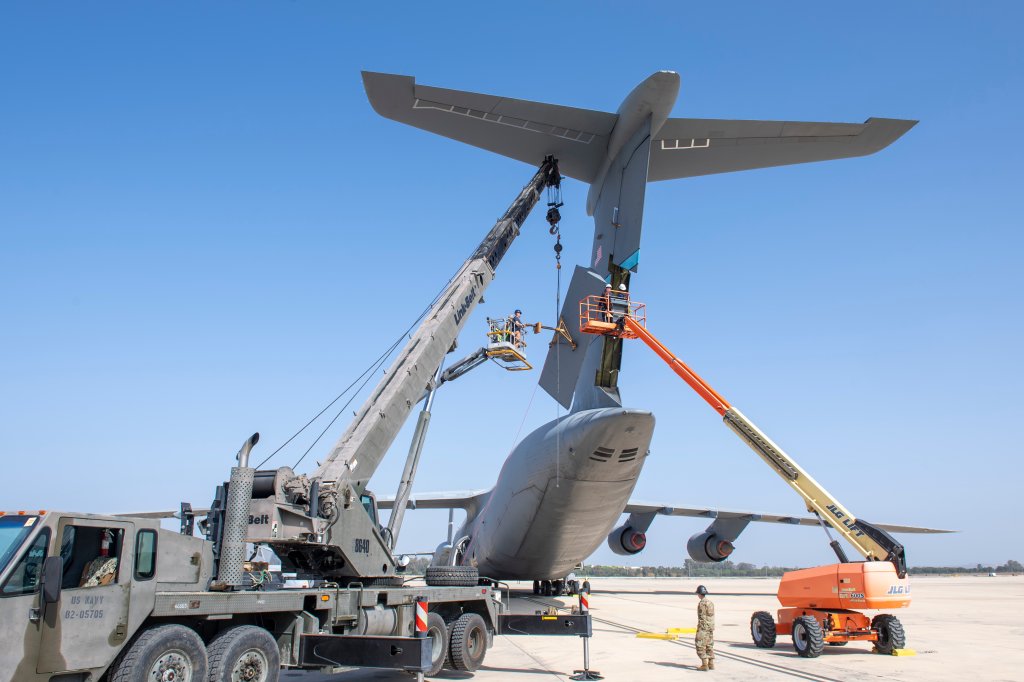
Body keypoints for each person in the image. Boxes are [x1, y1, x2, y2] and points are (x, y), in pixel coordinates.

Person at [694, 584, 715, 671]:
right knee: (709, 644)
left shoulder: (702, 604)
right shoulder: (710, 603)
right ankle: (711, 663)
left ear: (699, 594)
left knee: (699, 644)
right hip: (710, 627)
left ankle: (704, 664)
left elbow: (702, 617)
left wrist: (700, 629)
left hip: (703, 627)